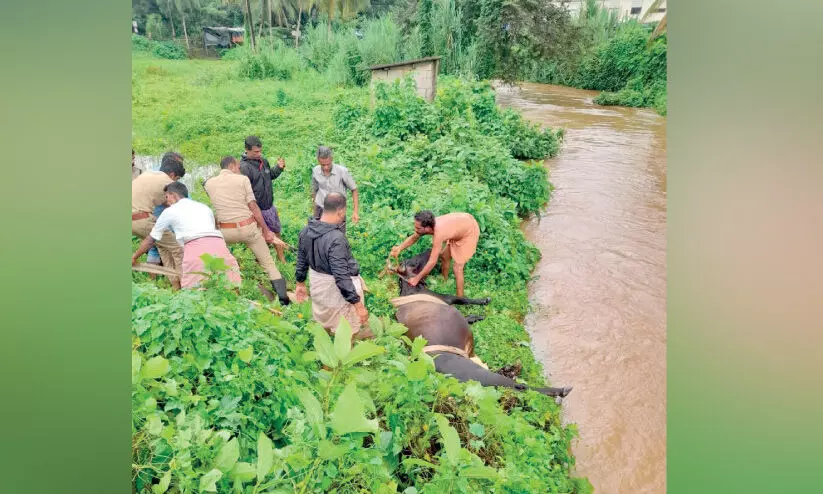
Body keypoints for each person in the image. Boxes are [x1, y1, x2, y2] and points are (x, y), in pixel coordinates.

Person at [205, 156, 291, 305]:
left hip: (225, 232)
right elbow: (253, 207)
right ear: (232, 166)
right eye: (238, 167)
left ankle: (229, 297)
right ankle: (284, 301)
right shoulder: (242, 180)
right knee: (269, 264)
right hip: (247, 228)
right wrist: (266, 231)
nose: (239, 170)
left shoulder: (209, 183)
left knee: (220, 263)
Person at [132, 182, 242, 290]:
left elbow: (151, 240)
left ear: (173, 195)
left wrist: (134, 257)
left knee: (194, 292)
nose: (167, 201)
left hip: (195, 249)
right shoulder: (204, 207)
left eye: (167, 197)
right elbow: (213, 229)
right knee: (229, 287)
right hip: (219, 245)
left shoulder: (169, 211)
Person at [295, 193, 370, 337]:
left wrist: (300, 283)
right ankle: (340, 356)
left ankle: (325, 347)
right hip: (335, 293)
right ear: (340, 211)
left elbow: (301, 259)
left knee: (324, 321)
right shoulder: (336, 239)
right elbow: (341, 276)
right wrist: (358, 304)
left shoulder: (306, 231)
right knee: (346, 331)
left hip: (318, 288)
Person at [390, 211, 480, 298]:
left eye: (418, 228)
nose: (415, 230)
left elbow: (432, 261)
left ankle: (460, 299)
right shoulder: (429, 223)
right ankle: (444, 281)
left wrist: (416, 279)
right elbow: (414, 237)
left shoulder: (439, 233)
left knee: (457, 268)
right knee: (445, 256)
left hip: (469, 232)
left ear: (428, 228)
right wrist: (399, 248)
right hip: (461, 224)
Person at [132, 152, 185, 290]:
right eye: (177, 178)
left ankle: (175, 285)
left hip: (132, 219)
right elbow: (179, 206)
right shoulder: (168, 183)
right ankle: (186, 286)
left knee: (163, 247)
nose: (176, 182)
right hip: (142, 219)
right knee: (178, 249)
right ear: (172, 174)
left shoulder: (147, 174)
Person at [239, 136, 287, 263]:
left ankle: (282, 259)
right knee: (259, 239)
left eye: (260, 151)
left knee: (276, 232)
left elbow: (269, 175)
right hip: (256, 210)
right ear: (246, 150)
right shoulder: (243, 168)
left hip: (269, 207)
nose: (259, 154)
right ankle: (263, 264)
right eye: (256, 152)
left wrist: (279, 168)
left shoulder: (263, 161)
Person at [310, 146, 359, 234]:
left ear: (332, 159)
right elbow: (315, 190)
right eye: (322, 165)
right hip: (321, 207)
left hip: (337, 210)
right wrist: (314, 208)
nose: (325, 167)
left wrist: (355, 212)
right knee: (318, 233)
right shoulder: (315, 171)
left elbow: (354, 189)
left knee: (338, 236)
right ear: (318, 160)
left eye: (328, 164)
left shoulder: (342, 171)